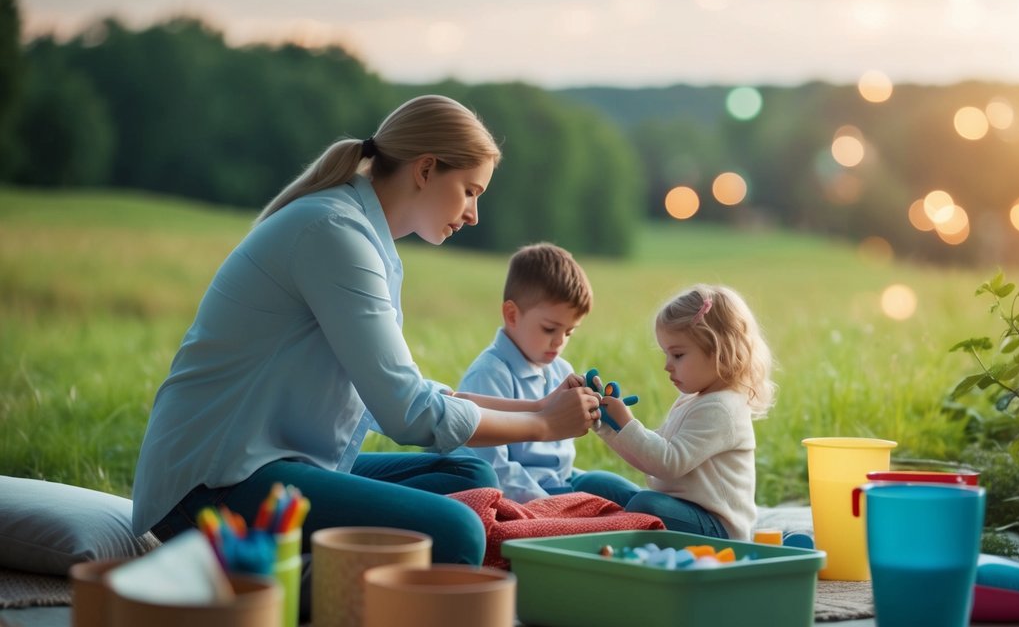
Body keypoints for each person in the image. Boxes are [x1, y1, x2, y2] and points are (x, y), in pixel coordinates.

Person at [131, 95, 603, 567]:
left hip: (274, 464)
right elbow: (410, 414)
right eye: (470, 191)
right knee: (458, 530)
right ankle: (273, 580)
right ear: (425, 170)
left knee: (468, 474)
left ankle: (322, 564)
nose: (473, 213)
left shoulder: (359, 234)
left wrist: (540, 406)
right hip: (213, 487)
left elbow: (402, 395)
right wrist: (543, 425)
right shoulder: (335, 234)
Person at [573, 284, 775, 540]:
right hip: (679, 509)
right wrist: (608, 423)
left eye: (678, 355)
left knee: (645, 507)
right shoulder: (693, 398)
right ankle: (619, 527)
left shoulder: (723, 408)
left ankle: (617, 530)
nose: (667, 366)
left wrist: (626, 423)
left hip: (717, 529)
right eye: (666, 354)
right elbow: (650, 457)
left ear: (720, 352)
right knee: (594, 484)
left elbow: (667, 463)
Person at [456, 242, 593, 502]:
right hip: (521, 493)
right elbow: (495, 470)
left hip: (560, 482)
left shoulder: (561, 370)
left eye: (569, 332)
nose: (559, 341)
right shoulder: (489, 376)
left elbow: (560, 463)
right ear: (512, 315)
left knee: (611, 486)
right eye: (549, 329)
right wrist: (550, 505)